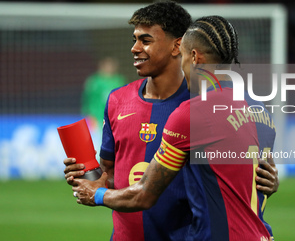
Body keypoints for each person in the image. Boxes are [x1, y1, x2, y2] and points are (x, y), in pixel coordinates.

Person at [70, 15, 278, 241]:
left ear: (194, 57)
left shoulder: (193, 112)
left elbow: (145, 195)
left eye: (184, 59)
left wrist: (97, 195)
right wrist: (272, 181)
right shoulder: (259, 109)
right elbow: (253, 176)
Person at [81, 57, 126, 127]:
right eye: (107, 65)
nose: (109, 67)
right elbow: (87, 99)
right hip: (96, 117)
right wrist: (89, 115)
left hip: (114, 117)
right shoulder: (94, 81)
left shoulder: (119, 81)